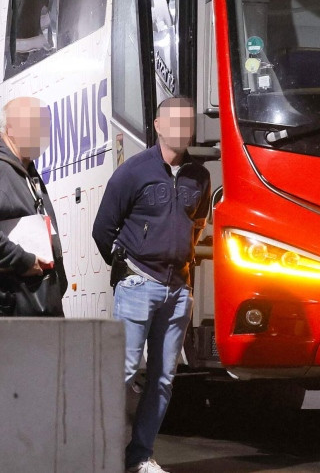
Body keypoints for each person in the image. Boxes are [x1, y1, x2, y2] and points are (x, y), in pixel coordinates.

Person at [93, 97, 211, 473]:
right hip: (138, 285)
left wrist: (184, 269)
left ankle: (139, 457)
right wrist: (126, 268)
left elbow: (198, 223)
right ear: (158, 125)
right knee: (123, 373)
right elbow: (103, 228)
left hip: (178, 290)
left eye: (187, 122)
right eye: (173, 122)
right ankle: (100, 453)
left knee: (162, 379)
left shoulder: (200, 176)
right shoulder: (134, 171)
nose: (181, 128)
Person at [0, 96, 65, 316]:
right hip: (16, 307)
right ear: (10, 129)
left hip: (41, 302)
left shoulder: (28, 171)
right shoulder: (2, 169)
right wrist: (23, 260)